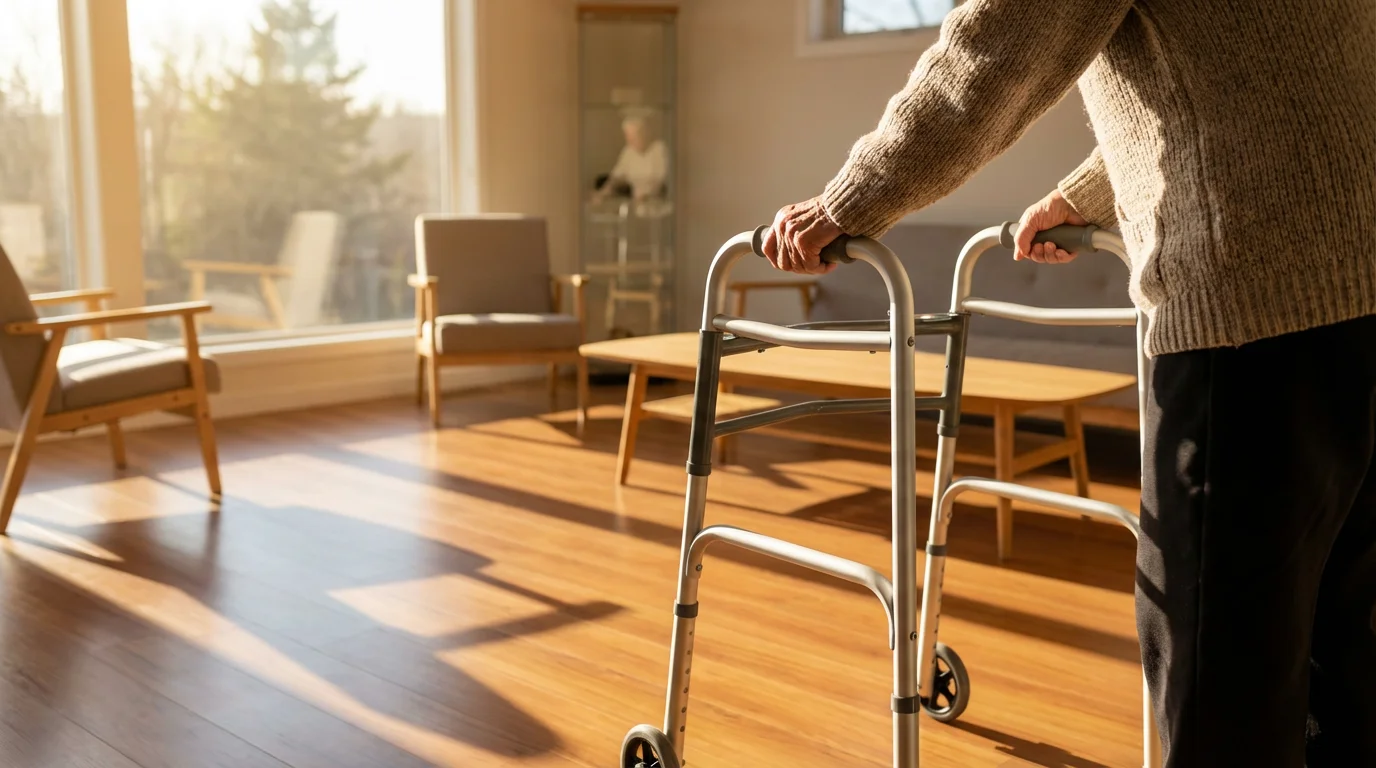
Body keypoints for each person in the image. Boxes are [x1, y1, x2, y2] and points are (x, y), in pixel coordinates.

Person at [760, 2, 1376, 766]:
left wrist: (846, 204)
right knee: (1346, 659)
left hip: (1251, 306)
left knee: (1225, 677)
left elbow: (994, 55)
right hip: (1357, 290)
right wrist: (1090, 191)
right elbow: (1256, 67)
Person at [593, 112, 668, 205]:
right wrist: (603, 193)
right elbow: (616, 177)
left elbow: (660, 182)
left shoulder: (659, 149)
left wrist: (645, 194)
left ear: (645, 133)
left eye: (634, 137)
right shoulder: (628, 151)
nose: (630, 141)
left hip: (655, 204)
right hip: (635, 203)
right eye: (628, 137)